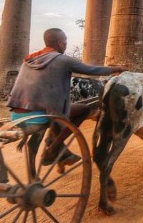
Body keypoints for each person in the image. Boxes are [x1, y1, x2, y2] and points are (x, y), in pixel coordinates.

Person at [7, 28, 126, 169]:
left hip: (16, 115)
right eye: (65, 42)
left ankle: (59, 151)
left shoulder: (29, 59)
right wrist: (117, 69)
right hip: (39, 115)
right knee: (83, 109)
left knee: (60, 110)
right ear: (58, 42)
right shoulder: (63, 60)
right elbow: (92, 70)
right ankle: (53, 149)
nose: (65, 45)